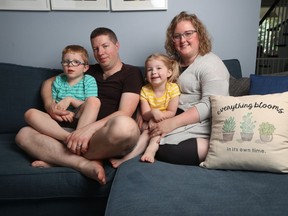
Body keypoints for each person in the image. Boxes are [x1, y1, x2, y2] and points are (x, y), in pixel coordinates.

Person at [15, 27, 144, 185]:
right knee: (23, 134)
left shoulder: (131, 73)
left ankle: (60, 158)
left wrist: (88, 130)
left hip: (103, 134)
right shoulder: (88, 70)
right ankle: (84, 162)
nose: (100, 52)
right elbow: (48, 83)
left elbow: (125, 111)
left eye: (105, 46)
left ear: (117, 45)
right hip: (71, 130)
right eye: (95, 48)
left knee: (126, 127)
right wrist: (49, 104)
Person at [147, 11, 230, 165]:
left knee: (167, 149)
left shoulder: (212, 65)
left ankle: (219, 148)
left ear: (200, 35)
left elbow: (210, 104)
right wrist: (144, 113)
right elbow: (152, 91)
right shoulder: (172, 65)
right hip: (178, 119)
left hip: (203, 123)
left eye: (188, 33)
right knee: (154, 141)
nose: (182, 40)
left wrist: (173, 123)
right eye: (177, 36)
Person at [24, 45, 101, 148]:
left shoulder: (88, 80)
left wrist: (70, 100)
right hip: (58, 123)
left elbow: (88, 105)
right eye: (66, 62)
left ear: (85, 67)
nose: (70, 65)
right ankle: (70, 139)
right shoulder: (58, 80)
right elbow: (53, 105)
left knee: (94, 101)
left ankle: (77, 138)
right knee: (30, 114)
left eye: (76, 62)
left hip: (79, 119)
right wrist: (61, 112)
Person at [110, 53, 180, 167]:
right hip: (148, 122)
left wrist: (158, 119)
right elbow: (145, 115)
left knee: (155, 132)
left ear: (169, 72)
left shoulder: (173, 88)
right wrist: (153, 113)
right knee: (146, 131)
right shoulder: (145, 90)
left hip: (167, 121)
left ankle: (150, 151)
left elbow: (172, 112)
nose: (154, 72)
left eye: (158, 68)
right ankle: (126, 157)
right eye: (149, 70)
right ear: (146, 75)